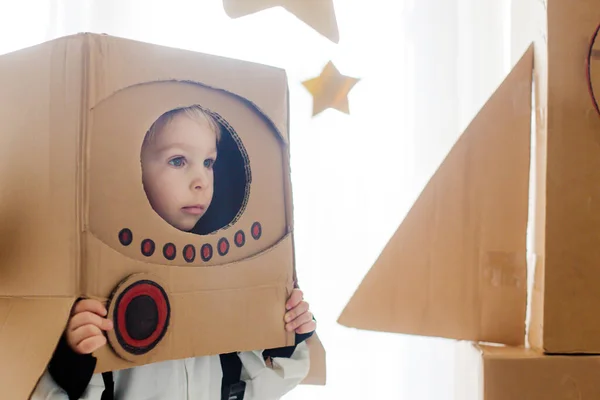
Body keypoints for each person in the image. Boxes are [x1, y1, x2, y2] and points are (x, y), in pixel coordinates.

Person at [31, 105, 316, 399]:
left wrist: (286, 338)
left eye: (208, 162)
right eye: (178, 160)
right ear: (131, 167)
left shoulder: (228, 270)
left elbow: (260, 387)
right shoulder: (96, 274)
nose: (201, 181)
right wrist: (72, 362)